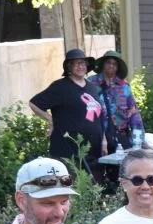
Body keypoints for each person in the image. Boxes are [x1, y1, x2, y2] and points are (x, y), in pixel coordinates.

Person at [30, 48, 105, 177]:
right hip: (68, 151)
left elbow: (99, 117)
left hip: (93, 151)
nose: (80, 66)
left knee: (94, 186)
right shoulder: (60, 87)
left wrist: (104, 140)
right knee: (71, 186)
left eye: (83, 63)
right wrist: (50, 120)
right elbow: (34, 103)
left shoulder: (92, 87)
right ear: (69, 67)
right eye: (76, 63)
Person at [94, 50, 143, 153]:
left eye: (115, 64)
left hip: (120, 138)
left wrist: (139, 141)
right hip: (97, 138)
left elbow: (133, 113)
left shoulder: (124, 86)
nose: (111, 66)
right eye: (108, 62)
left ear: (118, 67)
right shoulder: (91, 83)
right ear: (103, 64)